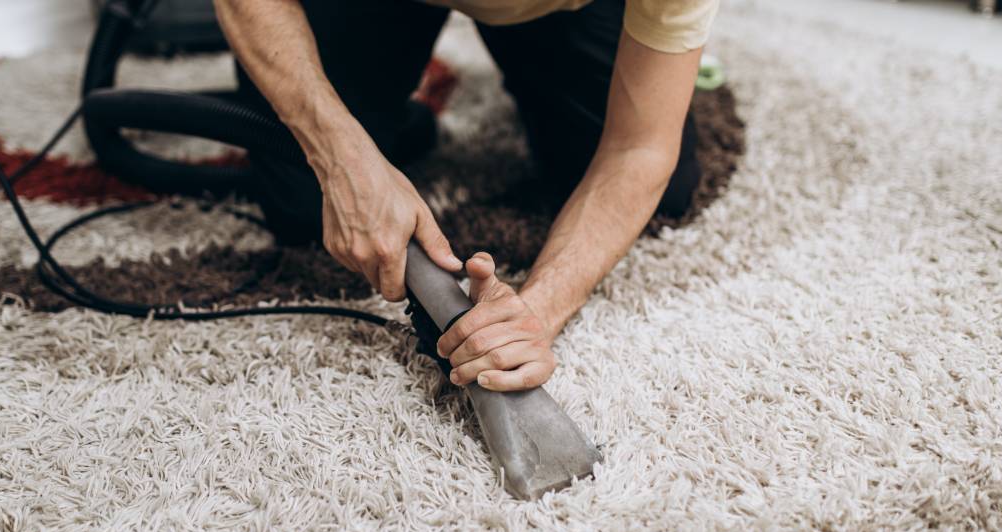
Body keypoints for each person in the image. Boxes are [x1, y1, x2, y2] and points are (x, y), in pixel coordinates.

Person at [213, 0, 717, 391]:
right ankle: (404, 92)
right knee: (303, 206)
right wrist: (340, 156)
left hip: (556, 12)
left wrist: (534, 314)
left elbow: (640, 146)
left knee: (663, 193)